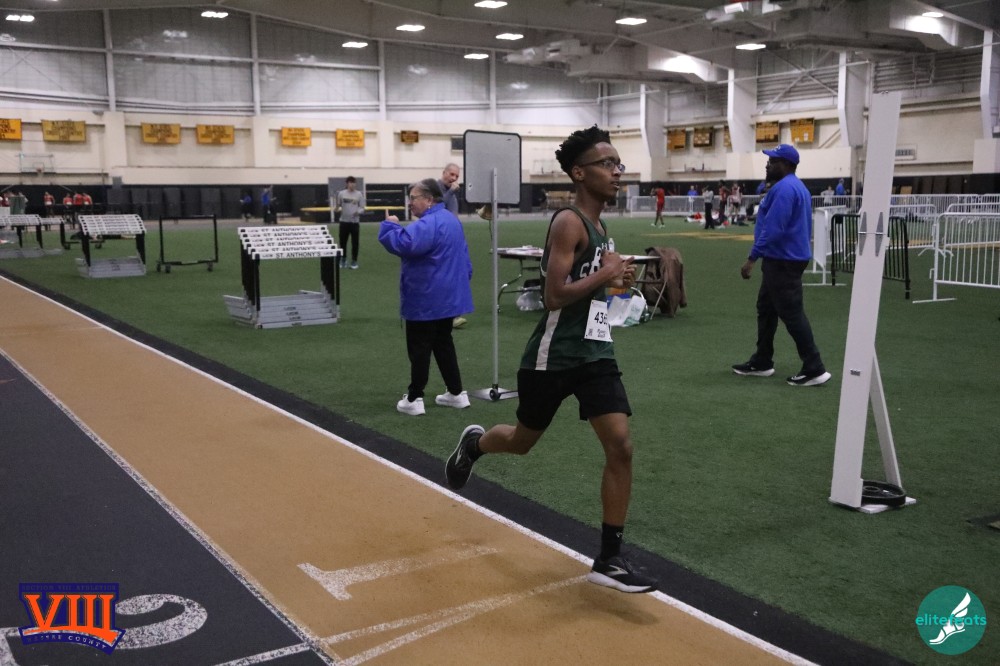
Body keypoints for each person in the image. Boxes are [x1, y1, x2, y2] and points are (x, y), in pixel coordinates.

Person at [444, 125, 656, 594]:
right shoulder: (568, 222)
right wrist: (605, 272)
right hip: (552, 356)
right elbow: (554, 296)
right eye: (607, 164)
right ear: (579, 173)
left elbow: (592, 289)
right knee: (521, 441)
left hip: (595, 352)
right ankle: (475, 445)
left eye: (618, 163)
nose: (617, 172)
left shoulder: (601, 228)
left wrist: (615, 280)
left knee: (621, 445)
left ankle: (609, 559)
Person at [733, 144, 831, 387]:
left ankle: (814, 367)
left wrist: (752, 258)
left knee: (791, 313)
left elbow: (774, 229)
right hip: (786, 258)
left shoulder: (784, 189)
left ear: (787, 164)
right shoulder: (796, 187)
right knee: (766, 308)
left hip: (782, 260)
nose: (768, 165)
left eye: (773, 161)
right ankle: (762, 360)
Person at [379, 178, 474, 416]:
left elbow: (404, 244)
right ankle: (456, 393)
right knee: (443, 344)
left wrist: (390, 225)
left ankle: (414, 397)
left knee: (419, 347)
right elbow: (465, 257)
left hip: (426, 297)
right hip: (448, 296)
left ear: (429, 199)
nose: (410, 203)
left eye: (414, 198)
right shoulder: (451, 220)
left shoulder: (428, 224)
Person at [437, 163, 469, 329]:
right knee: (445, 277)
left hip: (454, 239)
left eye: (457, 176)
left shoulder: (452, 191)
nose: (454, 178)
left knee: (459, 275)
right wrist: (450, 192)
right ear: (444, 173)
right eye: (451, 174)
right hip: (442, 240)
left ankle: (454, 314)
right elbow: (437, 207)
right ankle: (446, 315)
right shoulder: (435, 188)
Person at [335, 176, 365, 269]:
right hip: (343, 222)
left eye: (354, 183)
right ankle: (343, 259)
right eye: (351, 183)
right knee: (342, 242)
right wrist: (336, 209)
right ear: (347, 184)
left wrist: (358, 212)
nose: (353, 185)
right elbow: (338, 205)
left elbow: (362, 208)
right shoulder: (341, 194)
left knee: (355, 243)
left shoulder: (359, 194)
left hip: (354, 223)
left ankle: (354, 261)